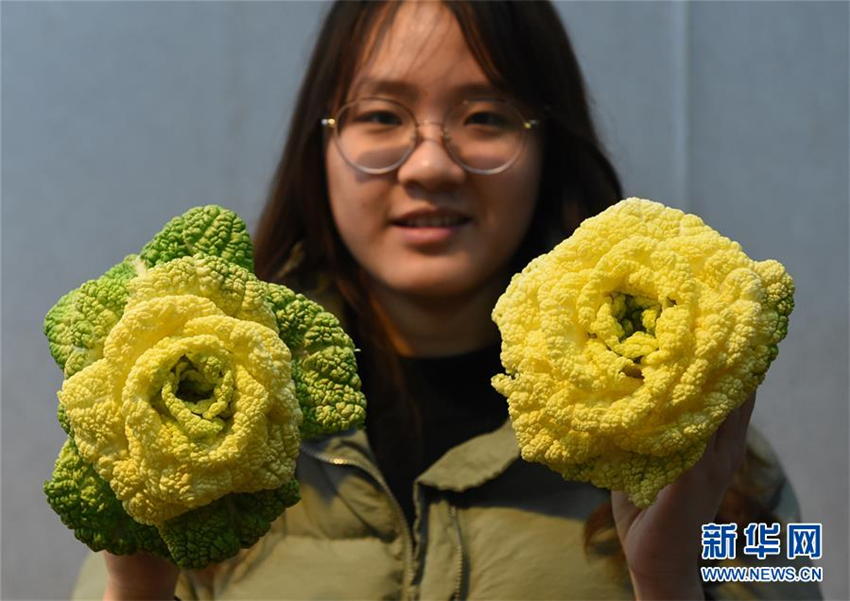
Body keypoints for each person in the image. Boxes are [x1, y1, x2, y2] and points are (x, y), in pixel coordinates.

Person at [72, 2, 821, 600]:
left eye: (486, 116)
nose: (430, 163)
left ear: (548, 147)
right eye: (381, 116)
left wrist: (667, 584)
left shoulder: (728, 458)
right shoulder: (179, 424)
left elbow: (799, 579)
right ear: (320, 149)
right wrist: (134, 589)